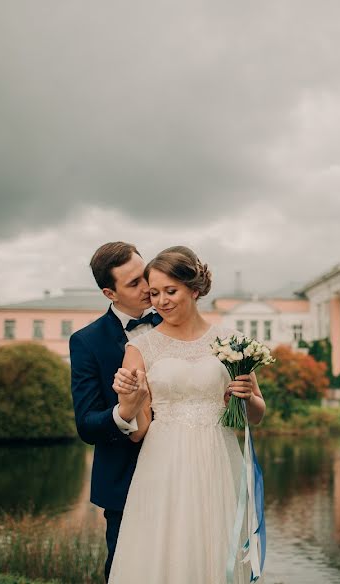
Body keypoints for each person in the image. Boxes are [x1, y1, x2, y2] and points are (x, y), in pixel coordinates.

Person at [108, 246, 265, 584]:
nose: (161, 301)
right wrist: (129, 401)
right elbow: (136, 430)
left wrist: (246, 396)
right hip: (163, 464)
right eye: (154, 293)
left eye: (170, 290)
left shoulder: (231, 342)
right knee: (166, 548)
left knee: (217, 543)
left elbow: (256, 414)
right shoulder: (140, 348)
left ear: (194, 289)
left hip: (219, 460)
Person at [69, 242, 163, 583]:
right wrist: (124, 411)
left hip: (185, 468)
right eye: (134, 283)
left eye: (146, 275)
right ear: (110, 292)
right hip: (125, 479)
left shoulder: (178, 323)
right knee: (126, 572)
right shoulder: (86, 342)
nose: (148, 287)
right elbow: (86, 424)